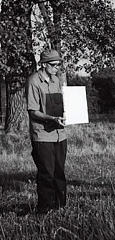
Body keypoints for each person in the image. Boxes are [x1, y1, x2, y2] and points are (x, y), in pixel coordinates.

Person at [25, 49, 67, 214]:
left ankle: (61, 207)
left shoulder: (56, 80)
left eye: (59, 64)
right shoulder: (33, 81)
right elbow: (32, 111)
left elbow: (60, 105)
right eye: (54, 65)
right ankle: (44, 210)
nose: (57, 68)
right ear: (43, 64)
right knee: (46, 174)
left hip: (60, 134)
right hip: (42, 135)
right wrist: (52, 118)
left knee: (59, 172)